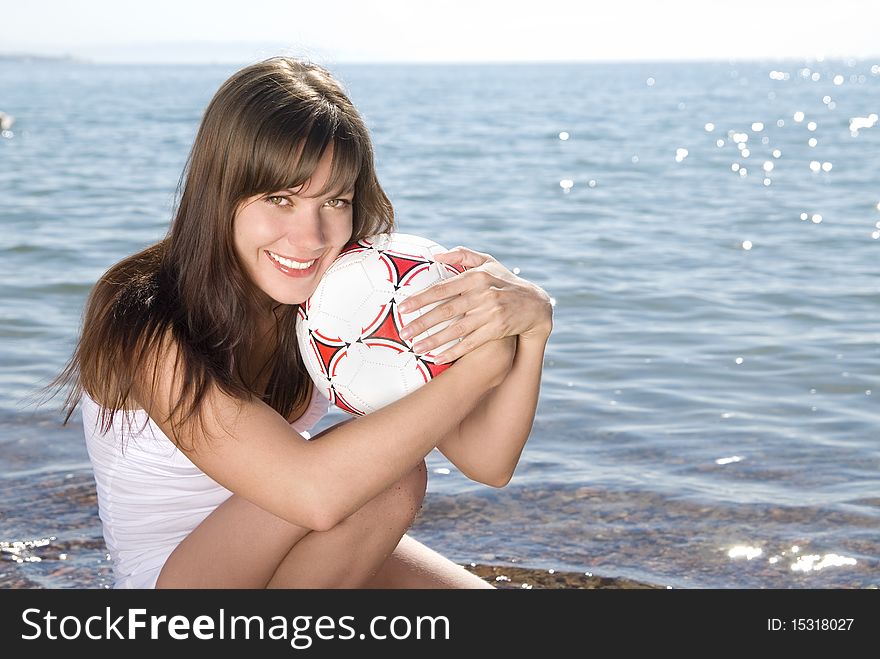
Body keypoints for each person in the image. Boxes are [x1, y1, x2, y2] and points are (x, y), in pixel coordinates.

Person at [53, 57, 553, 589]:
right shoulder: (148, 317)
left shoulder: (345, 292)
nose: (311, 237)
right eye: (280, 199)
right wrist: (480, 367)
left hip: (308, 546)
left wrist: (530, 328)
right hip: (180, 590)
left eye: (334, 201)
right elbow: (314, 494)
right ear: (220, 192)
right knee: (387, 478)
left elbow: (488, 461)